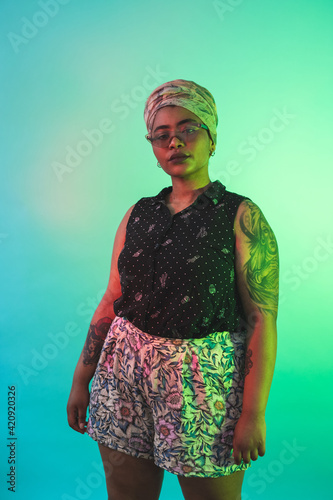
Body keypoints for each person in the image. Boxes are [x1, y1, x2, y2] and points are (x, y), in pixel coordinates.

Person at [67, 79, 279, 500]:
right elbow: (112, 299)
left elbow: (261, 319)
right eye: (161, 135)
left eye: (188, 129)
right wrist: (81, 379)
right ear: (152, 146)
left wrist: (253, 413)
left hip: (202, 386)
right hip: (122, 375)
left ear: (211, 138)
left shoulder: (240, 216)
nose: (175, 142)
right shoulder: (138, 213)